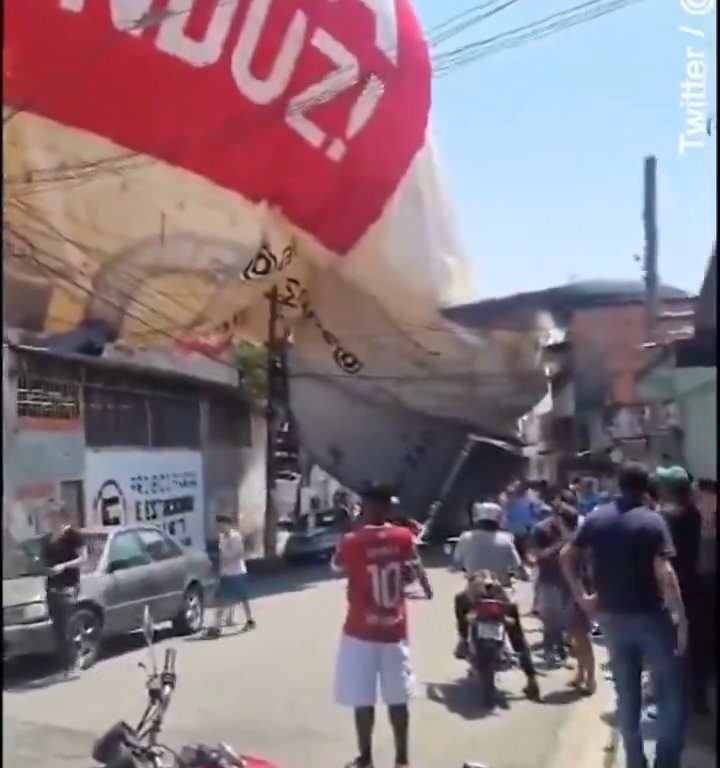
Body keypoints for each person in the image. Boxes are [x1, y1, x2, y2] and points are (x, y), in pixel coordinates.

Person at [560, 463, 688, 768]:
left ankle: (635, 762)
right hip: (650, 617)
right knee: (671, 694)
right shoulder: (652, 521)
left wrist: (583, 598)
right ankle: (666, 763)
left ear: (619, 485)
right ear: (646, 488)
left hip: (611, 620)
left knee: (627, 695)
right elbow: (664, 573)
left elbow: (567, 555)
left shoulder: (596, 517)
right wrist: (681, 618)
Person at [332, 483, 431, 768]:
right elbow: (412, 569)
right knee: (398, 698)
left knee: (362, 698)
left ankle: (366, 758)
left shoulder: (352, 540)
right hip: (394, 631)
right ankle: (402, 759)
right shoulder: (404, 537)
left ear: (364, 507)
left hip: (360, 632)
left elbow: (337, 568)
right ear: (389, 508)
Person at [453, 501, 541, 701]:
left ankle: (464, 639)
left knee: (459, 601)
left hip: (475, 594)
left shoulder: (467, 537)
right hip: (501, 595)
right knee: (517, 637)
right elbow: (518, 567)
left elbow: (457, 562)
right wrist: (522, 575)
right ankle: (532, 680)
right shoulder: (506, 538)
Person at [654, 466, 706, 714]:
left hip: (672, 585)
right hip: (692, 582)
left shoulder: (665, 519)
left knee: (670, 644)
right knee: (695, 643)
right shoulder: (692, 514)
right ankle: (699, 698)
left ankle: (673, 700)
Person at [41, 501, 86, 675]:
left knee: (66, 626)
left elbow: (83, 559)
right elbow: (45, 562)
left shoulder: (73, 535)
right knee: (57, 629)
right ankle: (65, 665)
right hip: (52, 587)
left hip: (68, 586)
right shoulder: (48, 539)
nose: (51, 519)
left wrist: (64, 566)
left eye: (53, 515)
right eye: (49, 516)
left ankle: (74, 663)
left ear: (61, 516)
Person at [206, 515, 255, 638]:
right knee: (223, 600)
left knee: (243, 598)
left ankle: (250, 620)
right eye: (218, 525)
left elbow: (239, 553)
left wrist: (226, 559)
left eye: (222, 525)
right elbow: (222, 555)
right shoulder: (221, 538)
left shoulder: (236, 537)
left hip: (238, 572)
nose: (220, 527)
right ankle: (216, 627)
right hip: (226, 573)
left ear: (229, 525)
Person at [504, 481, 538, 564]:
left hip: (524, 528)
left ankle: (523, 564)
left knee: (523, 548)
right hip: (512, 528)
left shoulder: (530, 496)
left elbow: (534, 508)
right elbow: (505, 509)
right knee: (513, 549)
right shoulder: (508, 496)